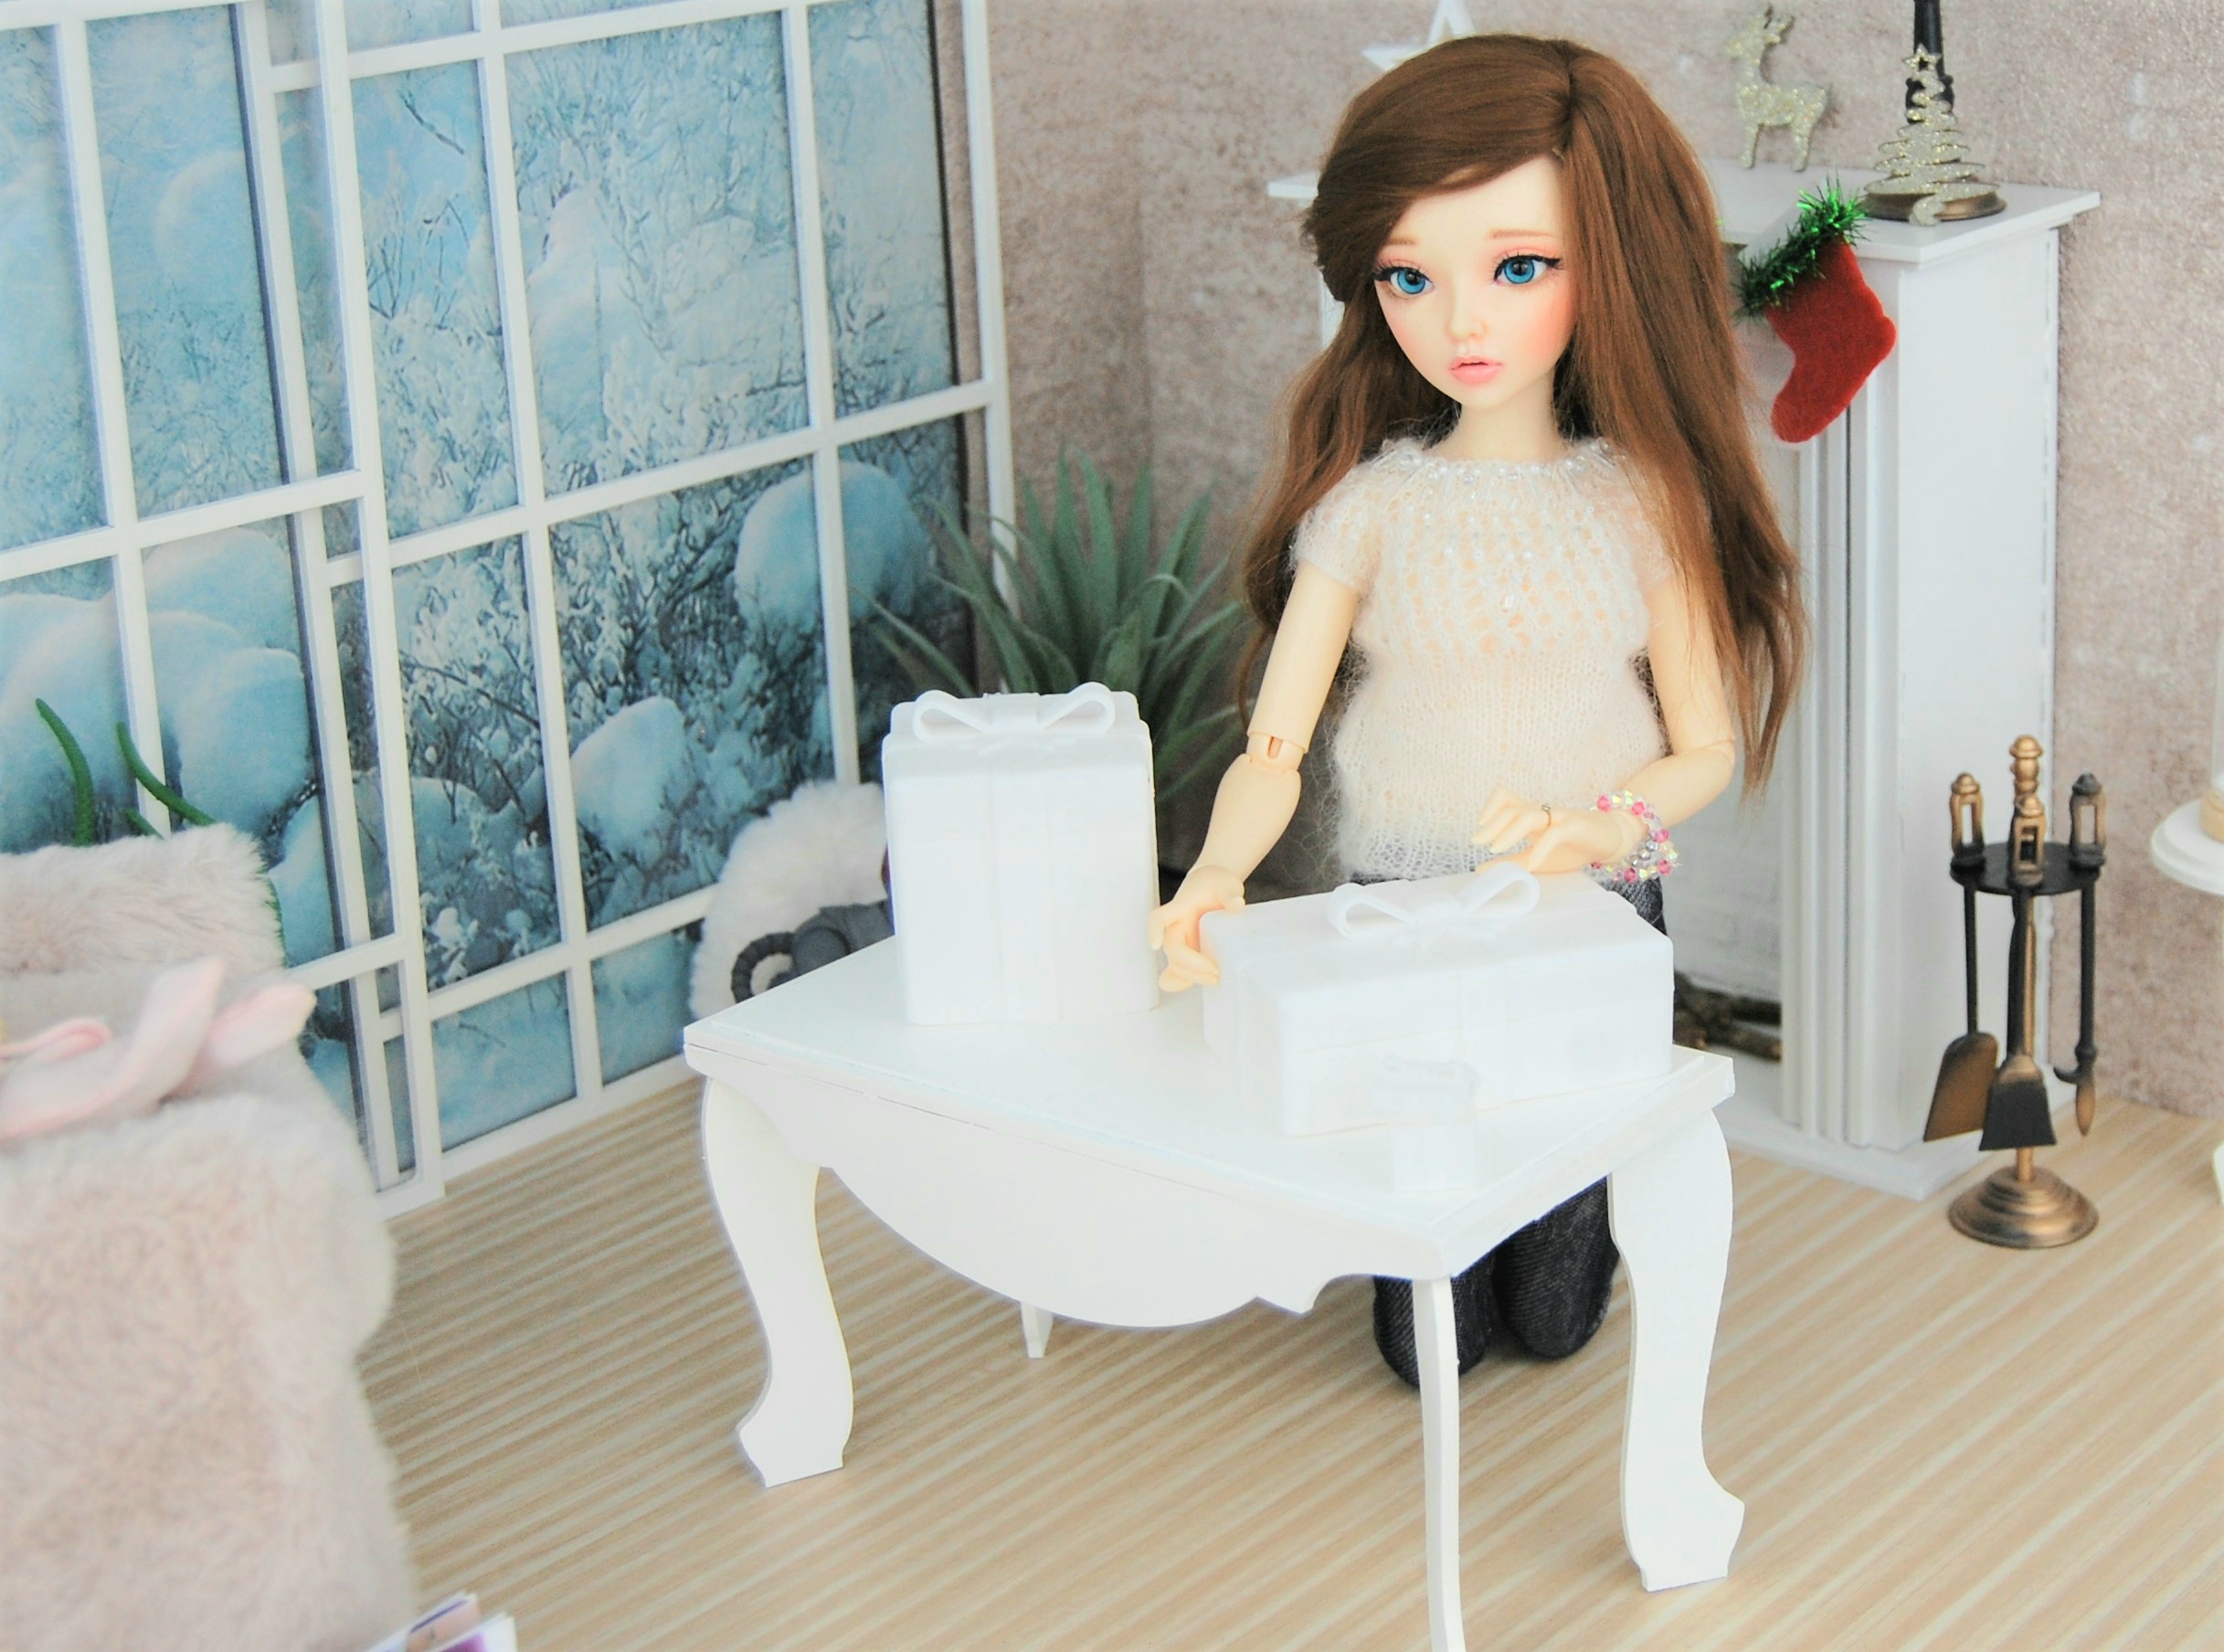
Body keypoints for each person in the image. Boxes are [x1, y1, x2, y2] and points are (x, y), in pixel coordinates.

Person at [1147, 34, 1806, 1384]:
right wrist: (1216, 871)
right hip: (1403, 898)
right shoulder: (1370, 507)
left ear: (1605, 266)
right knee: (1426, 1333)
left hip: (1588, 904)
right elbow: (1276, 741)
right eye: (1409, 276)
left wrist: (1598, 825)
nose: (1461, 324)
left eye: (1517, 269)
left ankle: (1572, 1259)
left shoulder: (1640, 501)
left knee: (1555, 1305)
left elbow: (1703, 746)